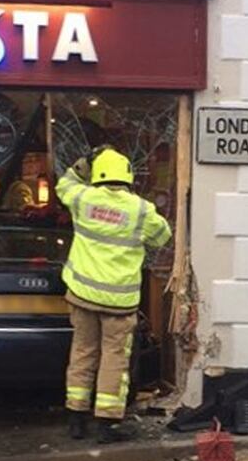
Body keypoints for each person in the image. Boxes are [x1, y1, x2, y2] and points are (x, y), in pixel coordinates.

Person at [56, 146, 172, 443]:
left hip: (82, 296)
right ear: (127, 176)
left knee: (82, 353)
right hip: (119, 302)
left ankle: (76, 418)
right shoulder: (141, 209)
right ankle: (107, 423)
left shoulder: (83, 199)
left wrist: (83, 163)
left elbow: (64, 184)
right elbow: (162, 237)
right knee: (114, 359)